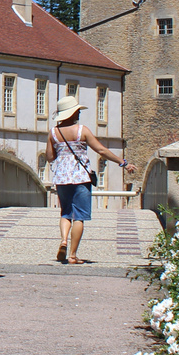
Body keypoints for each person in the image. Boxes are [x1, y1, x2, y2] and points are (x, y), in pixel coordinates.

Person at [45, 95, 133, 265]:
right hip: (81, 178)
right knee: (79, 216)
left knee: (65, 213)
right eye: (77, 110)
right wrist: (122, 162)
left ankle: (63, 240)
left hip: (62, 178)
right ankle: (72, 255)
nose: (78, 113)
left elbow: (49, 156)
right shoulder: (82, 130)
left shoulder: (53, 133)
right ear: (72, 113)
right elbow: (101, 150)